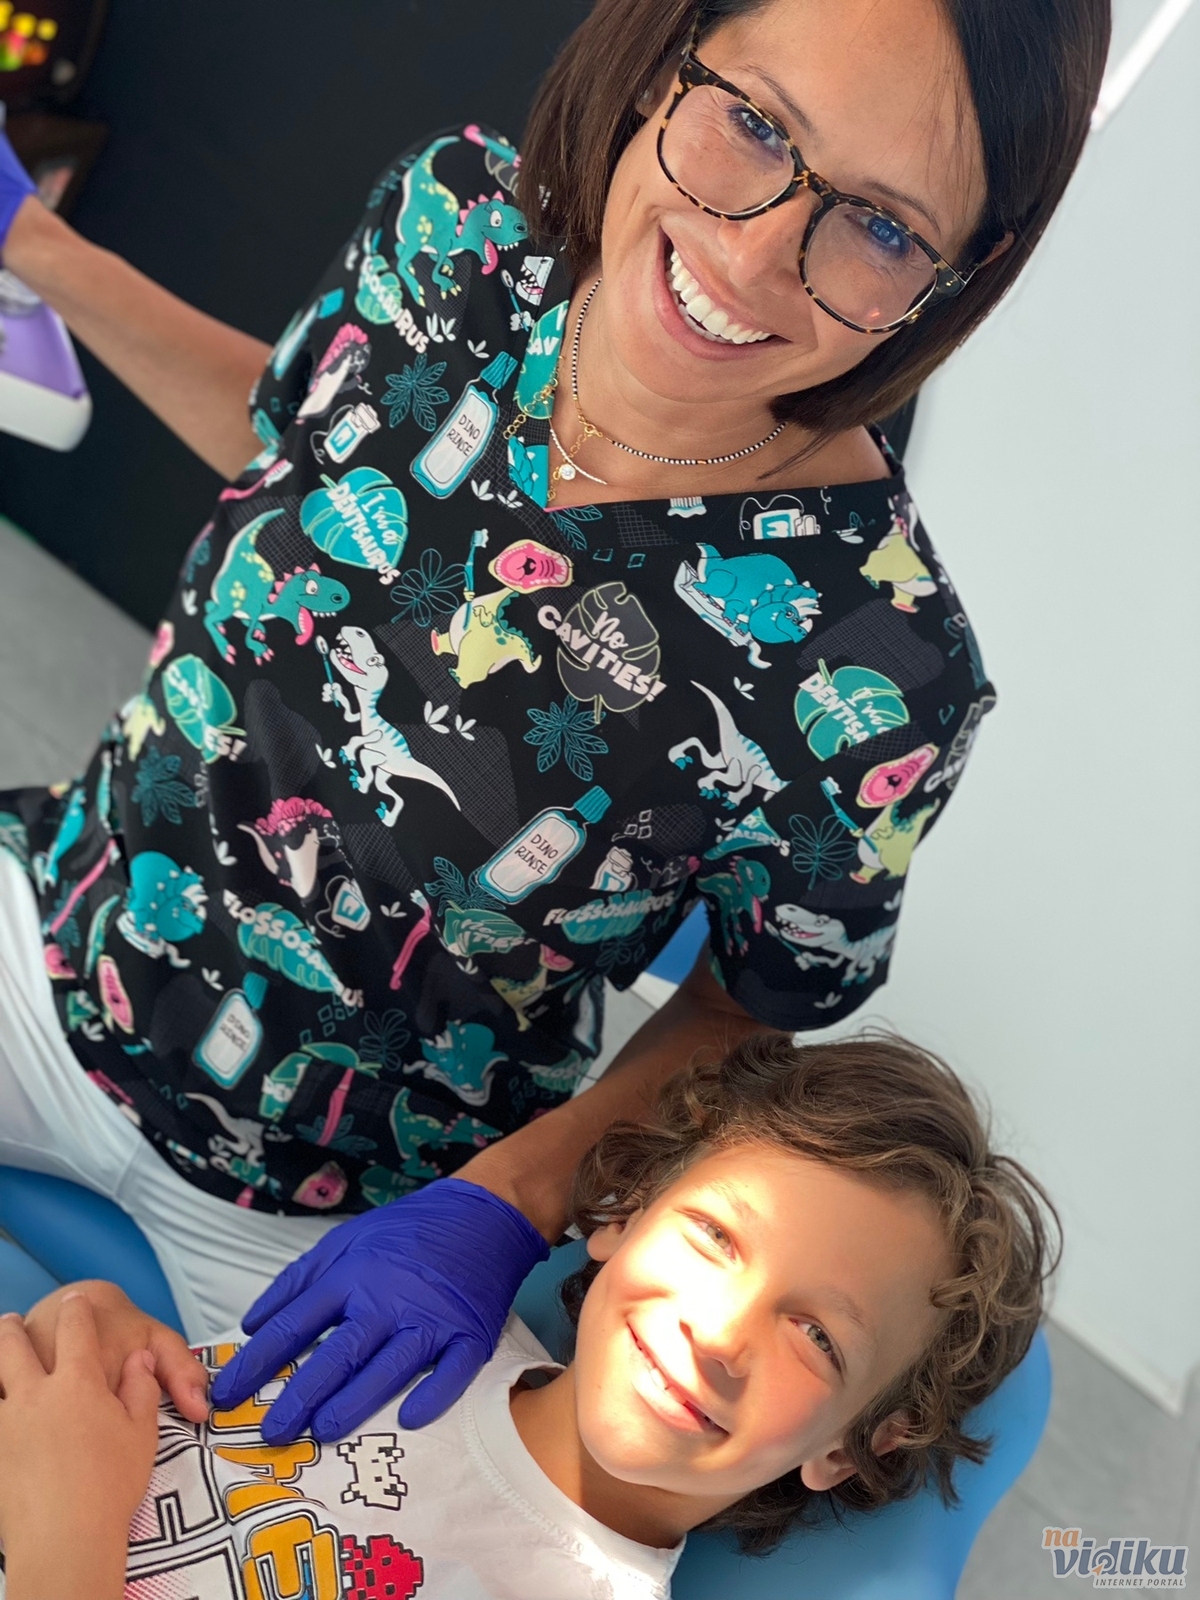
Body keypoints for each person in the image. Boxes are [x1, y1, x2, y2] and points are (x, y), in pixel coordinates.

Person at [0, 0, 1107, 1442]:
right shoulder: (461, 221)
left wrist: (506, 1206)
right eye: (755, 123)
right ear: (666, 54)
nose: (753, 255)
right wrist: (35, 245)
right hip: (54, 948)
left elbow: (752, 1009)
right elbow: (300, 445)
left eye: (883, 228)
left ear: (964, 274)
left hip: (344, 1213)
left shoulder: (884, 674)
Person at [0, 1034, 1056, 1600]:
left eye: (817, 1336)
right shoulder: (412, 1332)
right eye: (714, 1237)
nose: (720, 1332)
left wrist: (69, 1527)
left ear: (854, 1445)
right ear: (622, 1215)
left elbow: (67, 1501)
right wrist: (94, 1333)